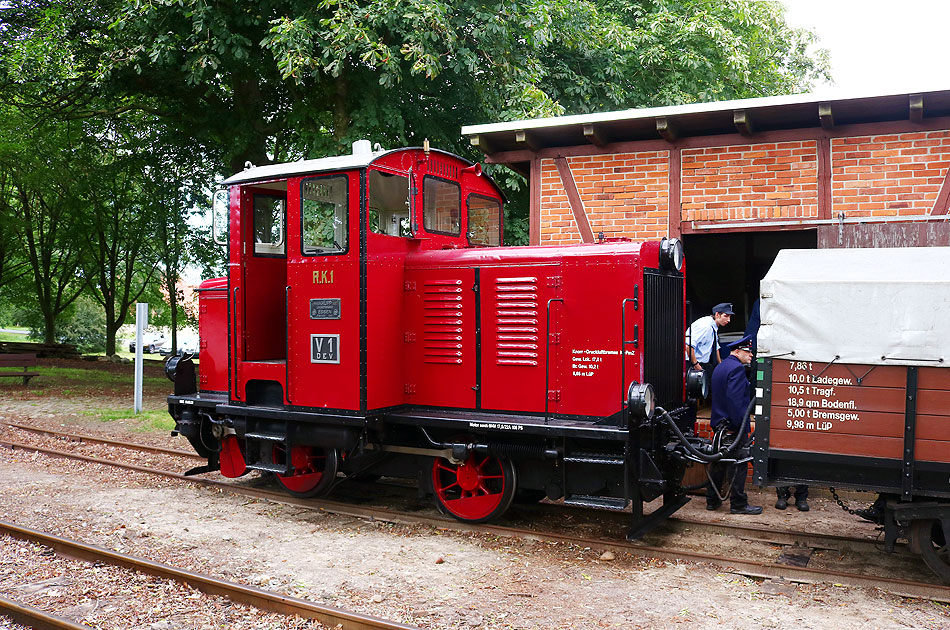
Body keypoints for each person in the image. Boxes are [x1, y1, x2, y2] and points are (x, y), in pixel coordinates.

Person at [706, 334, 762, 515]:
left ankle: (712, 501)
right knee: (739, 464)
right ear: (737, 352)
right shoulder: (737, 369)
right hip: (733, 427)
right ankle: (738, 504)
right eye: (748, 352)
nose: (751, 355)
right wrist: (741, 427)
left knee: (718, 463)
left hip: (719, 426)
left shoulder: (721, 367)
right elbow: (736, 402)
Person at [686, 302, 733, 387]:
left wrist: (720, 365)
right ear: (717, 315)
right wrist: (696, 365)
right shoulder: (705, 326)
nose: (729, 320)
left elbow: (716, 347)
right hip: (693, 364)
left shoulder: (713, 325)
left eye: (729, 317)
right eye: (726, 316)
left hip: (703, 363)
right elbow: (689, 345)